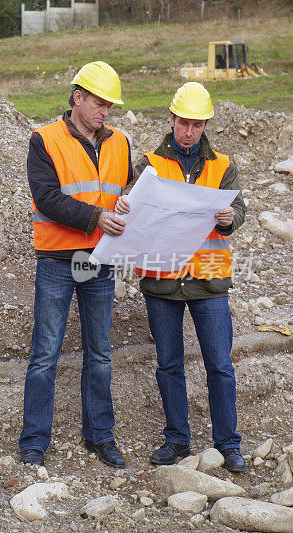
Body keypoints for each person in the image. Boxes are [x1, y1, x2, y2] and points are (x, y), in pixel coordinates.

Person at [115, 82, 247, 472]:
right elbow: (132, 207)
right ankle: (177, 440)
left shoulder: (223, 165)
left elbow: (237, 210)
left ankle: (228, 443)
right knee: (169, 363)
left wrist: (228, 219)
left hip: (208, 277)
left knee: (219, 364)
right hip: (162, 275)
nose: (188, 131)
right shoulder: (150, 163)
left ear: (205, 124)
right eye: (182, 122)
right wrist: (125, 202)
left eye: (196, 124)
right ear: (171, 118)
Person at [19, 61, 133, 468]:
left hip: (99, 261)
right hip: (57, 259)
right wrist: (96, 217)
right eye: (99, 103)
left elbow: (127, 188)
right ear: (77, 97)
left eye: (110, 105)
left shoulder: (119, 141)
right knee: (45, 354)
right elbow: (47, 198)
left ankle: (100, 435)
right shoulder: (44, 140)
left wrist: (125, 204)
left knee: (100, 353)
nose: (105, 111)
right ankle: (34, 442)